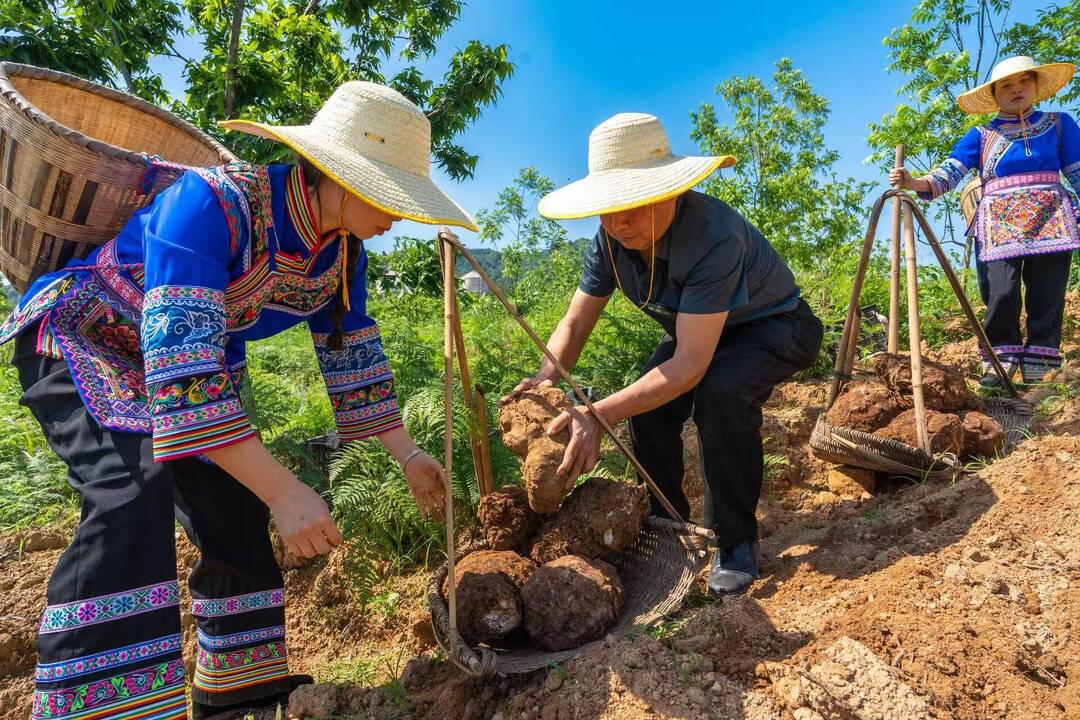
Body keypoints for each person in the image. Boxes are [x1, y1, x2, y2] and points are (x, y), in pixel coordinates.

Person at [0, 81, 475, 720]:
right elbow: (183, 373)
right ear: (341, 179)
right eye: (389, 197)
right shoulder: (211, 205)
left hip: (185, 370)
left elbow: (351, 362)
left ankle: (238, 693)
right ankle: (96, 707)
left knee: (234, 505)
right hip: (88, 340)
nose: (397, 217)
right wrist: (285, 490)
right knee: (131, 492)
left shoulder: (342, 257)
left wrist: (409, 453)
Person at [505, 113, 823, 596]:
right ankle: (666, 526)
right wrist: (545, 378)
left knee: (722, 393)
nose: (619, 222)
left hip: (775, 325)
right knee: (647, 412)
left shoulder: (714, 234)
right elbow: (574, 321)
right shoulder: (610, 242)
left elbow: (692, 366)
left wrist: (597, 413)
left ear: (669, 191)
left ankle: (734, 542)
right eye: (607, 210)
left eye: (633, 206)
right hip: (699, 332)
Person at [891, 55, 1079, 386]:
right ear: (994, 95)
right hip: (998, 225)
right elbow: (948, 174)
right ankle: (999, 361)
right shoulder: (980, 135)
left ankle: (1040, 363)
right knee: (1000, 291)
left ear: (1036, 86)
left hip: (1053, 220)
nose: (1016, 89)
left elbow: (1078, 171)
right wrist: (913, 182)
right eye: (1006, 85)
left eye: (1024, 82)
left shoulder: (1060, 125)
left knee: (1047, 291)